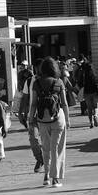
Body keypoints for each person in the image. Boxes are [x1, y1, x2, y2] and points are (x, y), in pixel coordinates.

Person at [31, 57, 69, 187]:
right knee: (57, 148)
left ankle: (46, 176)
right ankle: (55, 178)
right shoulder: (59, 82)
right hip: (58, 118)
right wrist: (68, 120)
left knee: (46, 148)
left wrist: (31, 118)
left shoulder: (36, 83)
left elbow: (33, 103)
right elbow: (64, 103)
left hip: (42, 119)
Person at [80, 62, 98, 128]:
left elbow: (81, 85)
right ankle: (95, 116)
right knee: (96, 106)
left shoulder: (84, 76)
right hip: (95, 93)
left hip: (87, 93)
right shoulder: (94, 76)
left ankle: (91, 123)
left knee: (89, 108)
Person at [16, 60, 34, 129]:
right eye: (22, 65)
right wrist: (19, 88)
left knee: (27, 105)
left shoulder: (30, 72)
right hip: (22, 91)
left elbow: (32, 81)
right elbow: (19, 81)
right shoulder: (20, 73)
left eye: (24, 65)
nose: (23, 66)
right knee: (22, 106)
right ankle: (24, 119)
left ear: (27, 66)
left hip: (28, 92)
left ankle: (27, 118)